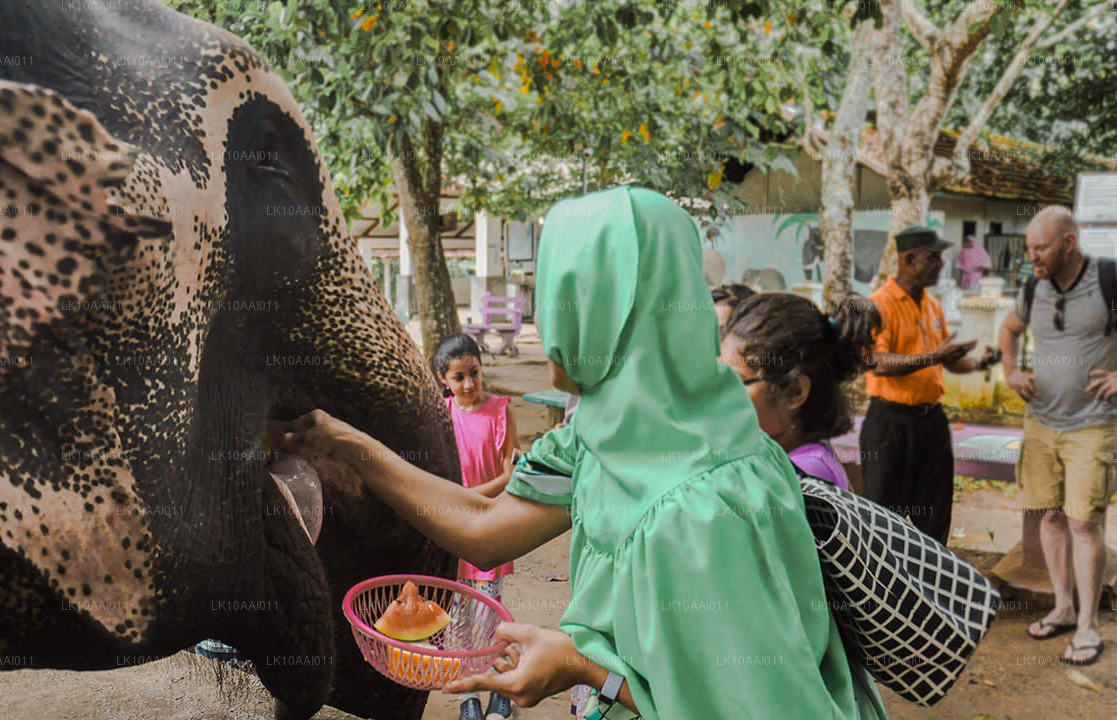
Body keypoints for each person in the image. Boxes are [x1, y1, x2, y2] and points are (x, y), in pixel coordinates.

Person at [281, 187, 885, 719]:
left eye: (560, 289)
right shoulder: (599, 430)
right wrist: (343, 441)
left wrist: (583, 666)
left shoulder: (706, 508)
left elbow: (754, 704)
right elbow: (482, 524)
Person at [999, 205, 1117, 666]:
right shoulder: (1033, 285)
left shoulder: (1110, 279)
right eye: (1029, 248)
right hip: (1041, 421)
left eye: (1040, 248)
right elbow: (1009, 328)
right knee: (1051, 516)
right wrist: (1010, 370)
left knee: (1084, 522)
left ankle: (1088, 627)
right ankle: (1062, 607)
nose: (1033, 256)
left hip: (1093, 424)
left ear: (1068, 243)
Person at [862, 225, 988, 545]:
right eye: (932, 258)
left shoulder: (932, 305)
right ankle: (885, 588)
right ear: (908, 260)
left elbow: (946, 360)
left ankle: (930, 586)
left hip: (931, 422)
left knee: (934, 513)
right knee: (885, 516)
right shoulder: (879, 304)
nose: (940, 264)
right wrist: (932, 357)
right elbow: (876, 363)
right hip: (890, 425)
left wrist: (977, 363)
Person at [433, 333, 520, 720]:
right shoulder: (442, 414)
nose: (468, 384)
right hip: (454, 534)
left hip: (491, 529)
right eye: (458, 377)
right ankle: (470, 698)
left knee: (490, 615)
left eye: (475, 373)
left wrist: (464, 497)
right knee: (459, 618)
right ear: (443, 380)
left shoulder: (502, 409)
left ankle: (500, 693)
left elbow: (509, 475)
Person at [719, 292, 881, 491]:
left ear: (795, 391)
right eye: (719, 377)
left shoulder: (808, 474)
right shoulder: (776, 457)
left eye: (738, 381)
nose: (721, 393)